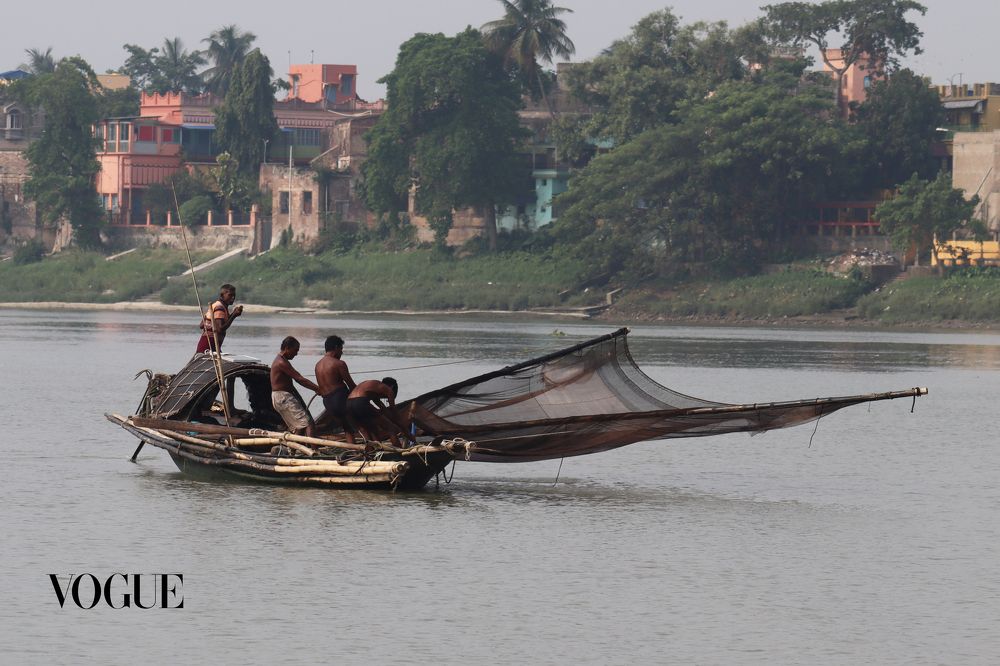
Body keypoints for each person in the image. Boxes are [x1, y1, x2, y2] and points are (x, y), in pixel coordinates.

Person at [270, 336, 320, 438]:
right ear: (287, 348)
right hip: (283, 397)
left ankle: (295, 446)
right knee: (308, 423)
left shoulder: (281, 360)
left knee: (299, 426)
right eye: (295, 350)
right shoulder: (281, 362)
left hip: (280, 397)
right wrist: (318, 389)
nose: (296, 354)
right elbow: (299, 379)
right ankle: (313, 447)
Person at [346, 377, 412, 447]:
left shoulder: (375, 387)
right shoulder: (388, 389)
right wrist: (405, 429)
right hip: (360, 402)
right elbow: (394, 411)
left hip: (348, 404)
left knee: (370, 430)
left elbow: (383, 409)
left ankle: (373, 450)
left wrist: (395, 422)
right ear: (392, 386)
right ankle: (399, 450)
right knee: (391, 428)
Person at [315, 335, 357, 443]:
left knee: (347, 427)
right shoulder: (339, 364)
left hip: (327, 402)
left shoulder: (318, 365)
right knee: (361, 423)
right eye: (341, 349)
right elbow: (351, 385)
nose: (342, 352)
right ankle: (369, 447)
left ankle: (353, 448)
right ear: (336, 347)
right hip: (339, 399)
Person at [197, 284, 243, 353]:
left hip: (209, 346)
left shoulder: (216, 305)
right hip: (208, 347)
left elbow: (202, 325)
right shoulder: (219, 307)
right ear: (222, 295)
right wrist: (233, 316)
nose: (233, 298)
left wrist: (233, 314)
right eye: (230, 295)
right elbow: (220, 329)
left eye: (234, 295)